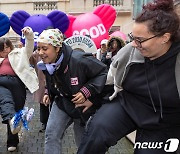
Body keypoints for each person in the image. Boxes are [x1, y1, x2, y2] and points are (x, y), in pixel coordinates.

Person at [77, 0, 180, 154]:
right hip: (128, 105)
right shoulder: (129, 52)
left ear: (164, 38)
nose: (133, 44)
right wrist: (92, 97)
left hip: (167, 119)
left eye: (140, 40)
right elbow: (109, 78)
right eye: (133, 37)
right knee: (97, 130)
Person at [36, 28, 107, 154]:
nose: (40, 53)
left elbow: (104, 73)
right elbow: (52, 81)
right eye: (38, 48)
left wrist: (87, 93)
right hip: (62, 103)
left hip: (84, 107)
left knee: (83, 143)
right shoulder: (47, 62)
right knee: (51, 136)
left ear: (57, 48)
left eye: (45, 48)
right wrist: (48, 92)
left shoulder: (79, 59)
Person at [0, 27, 39, 152]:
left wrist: (29, 34)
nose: (6, 50)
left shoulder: (19, 53)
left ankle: (13, 141)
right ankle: (12, 132)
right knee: (6, 104)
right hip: (1, 83)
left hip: (17, 83)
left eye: (7, 47)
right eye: (2, 48)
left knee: (16, 112)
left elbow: (30, 45)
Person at [29, 49, 49, 133]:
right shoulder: (37, 54)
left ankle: (55, 124)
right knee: (43, 104)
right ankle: (44, 123)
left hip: (53, 81)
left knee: (55, 104)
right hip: (42, 82)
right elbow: (30, 59)